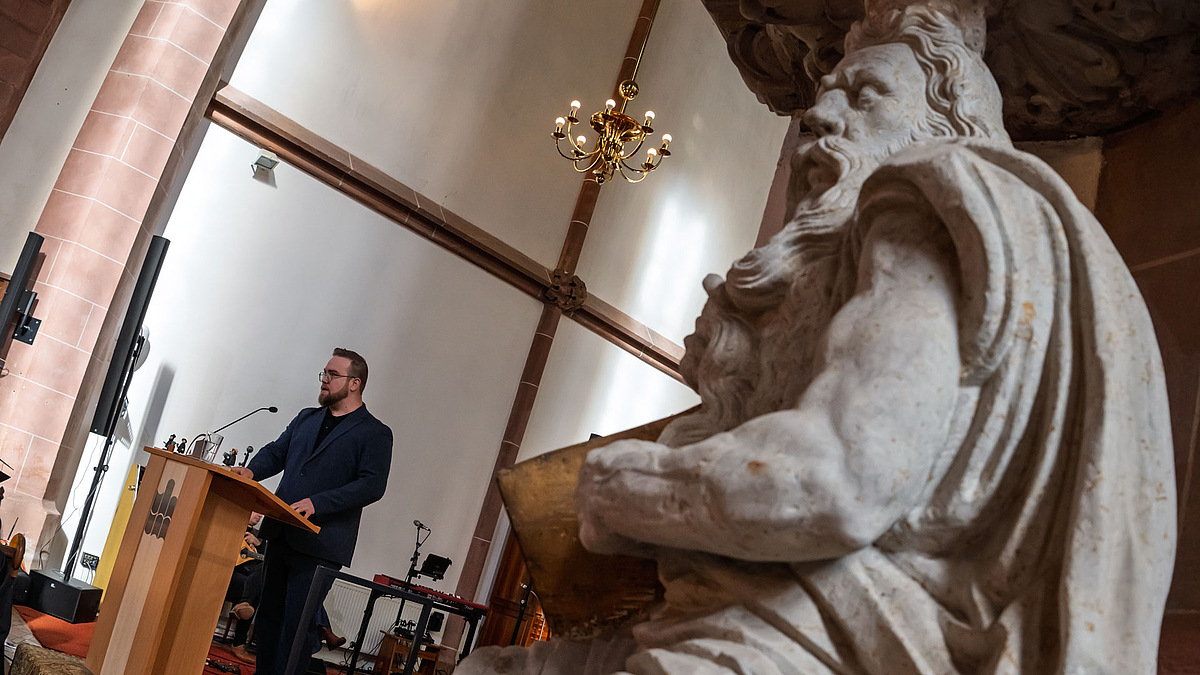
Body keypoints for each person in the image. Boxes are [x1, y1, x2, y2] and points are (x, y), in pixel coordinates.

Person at [460, 3, 1175, 675]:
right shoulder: (877, 251)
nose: (822, 117)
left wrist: (616, 486)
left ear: (947, 122)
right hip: (778, 608)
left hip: (849, 628)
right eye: (826, 94)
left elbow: (835, 479)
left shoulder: (927, 199)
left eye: (865, 95)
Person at [232, 348, 392, 675]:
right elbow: (277, 452)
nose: (324, 380)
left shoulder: (374, 432)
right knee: (269, 620)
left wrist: (318, 503)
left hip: (321, 542)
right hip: (281, 532)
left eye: (333, 375)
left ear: (355, 383)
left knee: (297, 627)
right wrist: (251, 471)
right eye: (324, 373)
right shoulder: (307, 418)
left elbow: (371, 486)